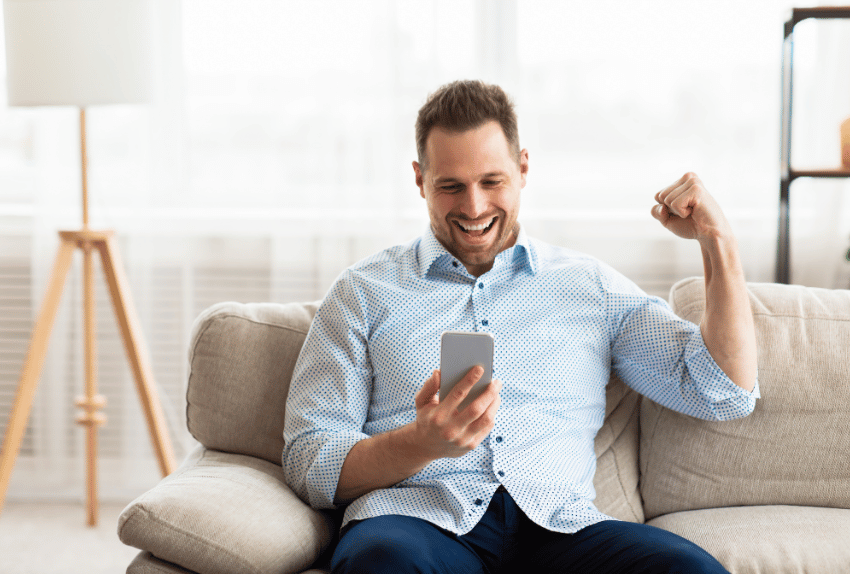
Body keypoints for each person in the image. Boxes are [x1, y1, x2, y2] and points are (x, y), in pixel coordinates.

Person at [283, 80, 759, 574]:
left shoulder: (588, 287)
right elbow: (307, 458)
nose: (473, 207)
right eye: (451, 186)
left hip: (561, 531)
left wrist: (716, 240)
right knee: (383, 564)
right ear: (420, 180)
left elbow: (721, 390)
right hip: (417, 523)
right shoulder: (363, 292)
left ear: (523, 168)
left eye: (492, 181)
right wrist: (420, 444)